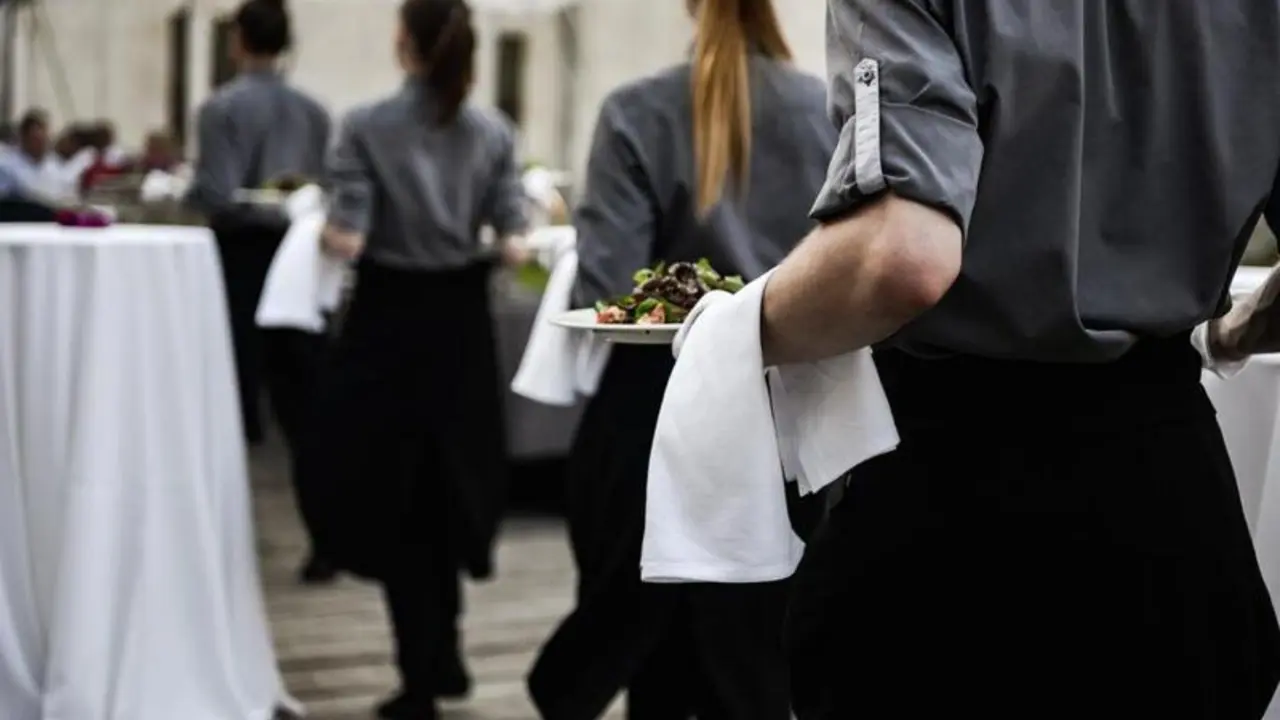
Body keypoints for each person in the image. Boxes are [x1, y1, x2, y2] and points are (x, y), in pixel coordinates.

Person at [763, 2, 1280, 719]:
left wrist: (735, 330)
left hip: (948, 526)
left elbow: (904, 258)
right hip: (1174, 506)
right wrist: (1233, 331)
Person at [525, 0, 835, 717]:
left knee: (654, 675)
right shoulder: (829, 108)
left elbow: (609, 290)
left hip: (654, 414)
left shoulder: (636, 110)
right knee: (758, 664)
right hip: (784, 419)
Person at [300, 0, 529, 717]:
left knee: (393, 499)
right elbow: (516, 239)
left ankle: (421, 678)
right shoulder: (493, 130)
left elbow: (350, 239)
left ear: (403, 42)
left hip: (388, 324)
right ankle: (447, 654)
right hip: (460, 325)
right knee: (448, 490)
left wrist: (318, 229)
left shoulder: (365, 125)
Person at [186, 0, 336, 584]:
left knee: (231, 404)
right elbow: (323, 191)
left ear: (239, 41)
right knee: (303, 416)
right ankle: (326, 538)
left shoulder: (222, 108)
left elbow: (219, 197)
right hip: (301, 268)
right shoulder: (315, 112)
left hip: (245, 265)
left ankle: (223, 547)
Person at [0, 109, 51, 200]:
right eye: (36, 139)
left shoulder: (54, 166)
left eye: (44, 139)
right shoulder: (6, 166)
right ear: (24, 137)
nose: (41, 144)